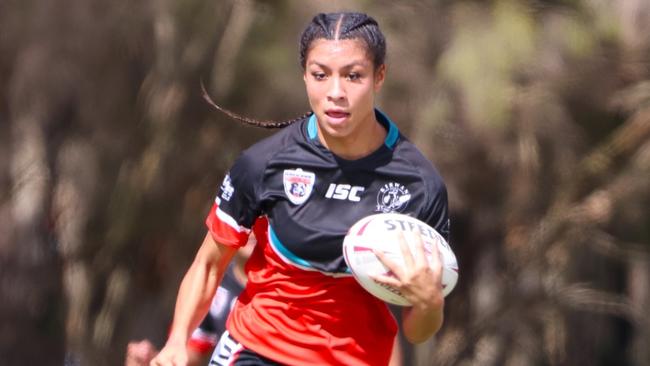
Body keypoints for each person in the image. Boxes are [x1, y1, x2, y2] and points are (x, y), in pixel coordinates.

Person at [152, 11, 450, 366]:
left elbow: (418, 329)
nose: (335, 93)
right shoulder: (263, 164)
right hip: (257, 348)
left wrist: (429, 303)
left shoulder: (419, 186)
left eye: (353, 76)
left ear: (379, 76)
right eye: (320, 75)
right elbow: (208, 266)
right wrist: (176, 340)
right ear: (305, 76)